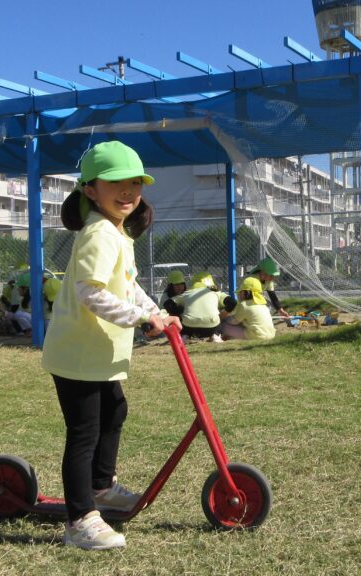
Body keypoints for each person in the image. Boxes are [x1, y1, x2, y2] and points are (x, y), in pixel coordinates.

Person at [41, 141, 181, 550]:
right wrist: (141, 319)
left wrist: (156, 310)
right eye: (116, 183)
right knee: (83, 432)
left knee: (114, 411)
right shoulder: (98, 233)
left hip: (100, 353)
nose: (128, 192)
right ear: (90, 190)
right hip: (77, 354)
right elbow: (90, 292)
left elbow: (127, 284)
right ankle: (80, 519)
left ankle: (102, 488)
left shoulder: (117, 233)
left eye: (135, 183)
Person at [165, 271, 235, 343]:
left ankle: (185, 335)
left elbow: (168, 304)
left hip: (190, 327)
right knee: (220, 316)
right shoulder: (216, 293)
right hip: (211, 327)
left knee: (186, 316)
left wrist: (179, 316)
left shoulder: (187, 293)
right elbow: (232, 303)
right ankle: (215, 335)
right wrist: (221, 315)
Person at [221, 277, 276, 341]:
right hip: (271, 334)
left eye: (240, 292)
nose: (239, 295)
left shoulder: (244, 305)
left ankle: (218, 336)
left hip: (257, 336)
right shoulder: (263, 305)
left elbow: (234, 322)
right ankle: (229, 336)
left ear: (245, 292)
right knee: (243, 323)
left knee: (224, 325)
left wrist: (224, 318)